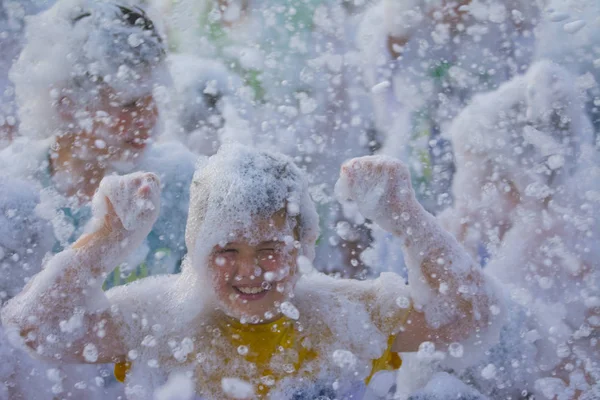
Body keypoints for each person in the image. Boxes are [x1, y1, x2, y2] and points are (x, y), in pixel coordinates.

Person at [2, 144, 503, 399]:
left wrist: (407, 217)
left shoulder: (344, 315)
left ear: (304, 245)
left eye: (270, 248)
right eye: (226, 249)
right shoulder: (159, 320)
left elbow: (470, 319)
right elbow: (30, 330)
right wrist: (106, 238)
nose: (250, 271)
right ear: (196, 249)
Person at [3, 0, 197, 284]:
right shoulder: (15, 192)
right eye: (129, 103)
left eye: (151, 97)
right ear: (67, 105)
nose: (149, 117)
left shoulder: (177, 186)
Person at [441, 60, 599, 399]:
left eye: (467, 169)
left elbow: (485, 360)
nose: (460, 189)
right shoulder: (570, 222)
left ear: (510, 181)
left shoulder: (543, 245)